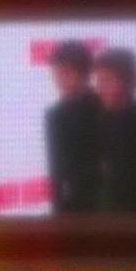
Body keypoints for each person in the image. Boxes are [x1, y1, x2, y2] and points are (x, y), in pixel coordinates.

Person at [90, 47, 136, 214]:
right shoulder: (100, 119)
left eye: (107, 81)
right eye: (99, 81)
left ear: (129, 82)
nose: (100, 89)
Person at [44, 40, 103, 214]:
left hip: (100, 206)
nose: (60, 79)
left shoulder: (103, 108)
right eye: (56, 72)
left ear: (85, 74)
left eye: (66, 72)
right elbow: (56, 171)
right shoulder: (54, 115)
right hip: (66, 209)